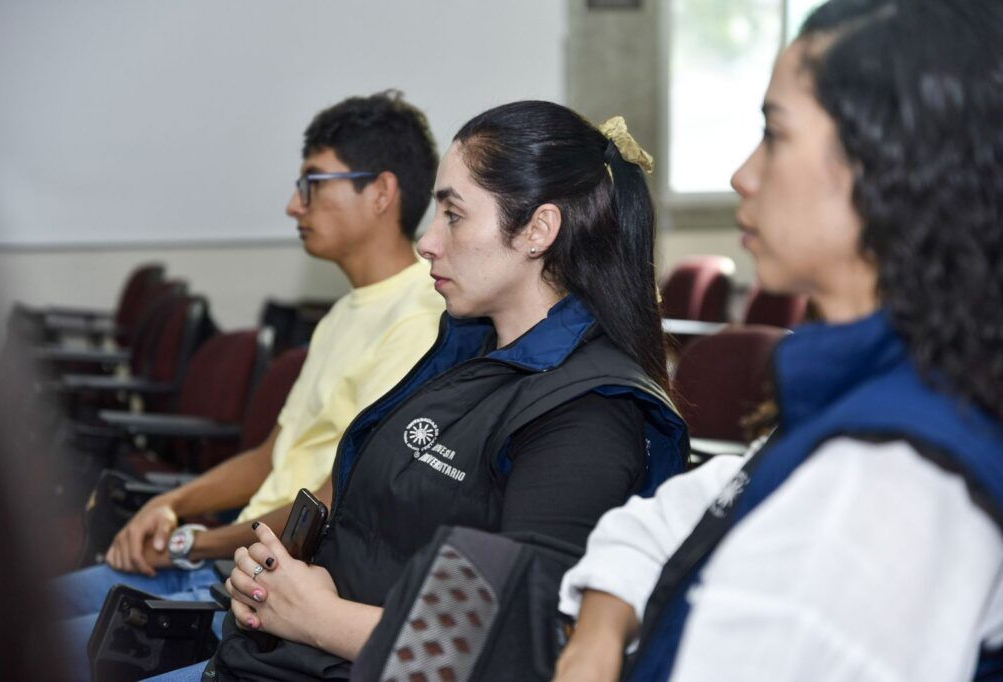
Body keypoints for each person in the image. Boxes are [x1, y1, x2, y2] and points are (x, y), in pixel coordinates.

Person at [152, 101, 691, 680]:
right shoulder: (465, 349)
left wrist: (315, 616)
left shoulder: (587, 413)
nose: (427, 242)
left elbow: (521, 646)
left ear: (538, 230)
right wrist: (281, 574)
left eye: (453, 216)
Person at [552, 1, 1003, 680]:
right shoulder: (902, 382)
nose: (744, 174)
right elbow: (677, 518)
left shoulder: (883, 484)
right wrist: (598, 632)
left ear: (886, 162)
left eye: (775, 133)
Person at [52, 90, 445, 673]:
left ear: (382, 192)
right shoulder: (345, 313)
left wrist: (195, 541)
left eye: (313, 183)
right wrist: (171, 505)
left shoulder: (421, 319)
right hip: (231, 559)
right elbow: (270, 455)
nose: (294, 205)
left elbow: (338, 498)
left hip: (264, 589)